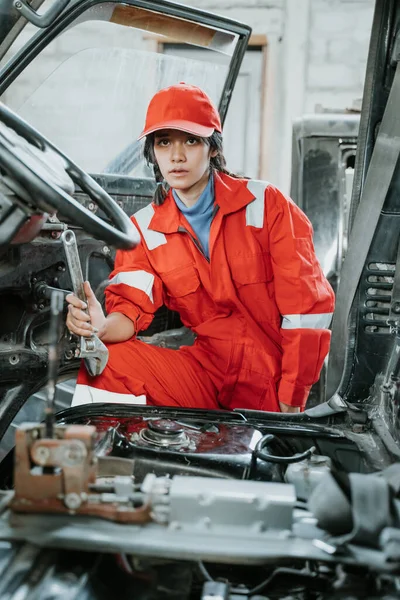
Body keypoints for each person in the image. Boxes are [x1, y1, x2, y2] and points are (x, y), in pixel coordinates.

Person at [66, 83, 335, 413]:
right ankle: (118, 461)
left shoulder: (267, 206)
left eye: (190, 140)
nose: (177, 156)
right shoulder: (144, 229)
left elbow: (307, 310)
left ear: (212, 148)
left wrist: (292, 399)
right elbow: (131, 308)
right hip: (208, 372)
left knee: (256, 456)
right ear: (153, 152)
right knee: (107, 365)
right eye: (164, 143)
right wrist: (102, 327)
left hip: (270, 380)